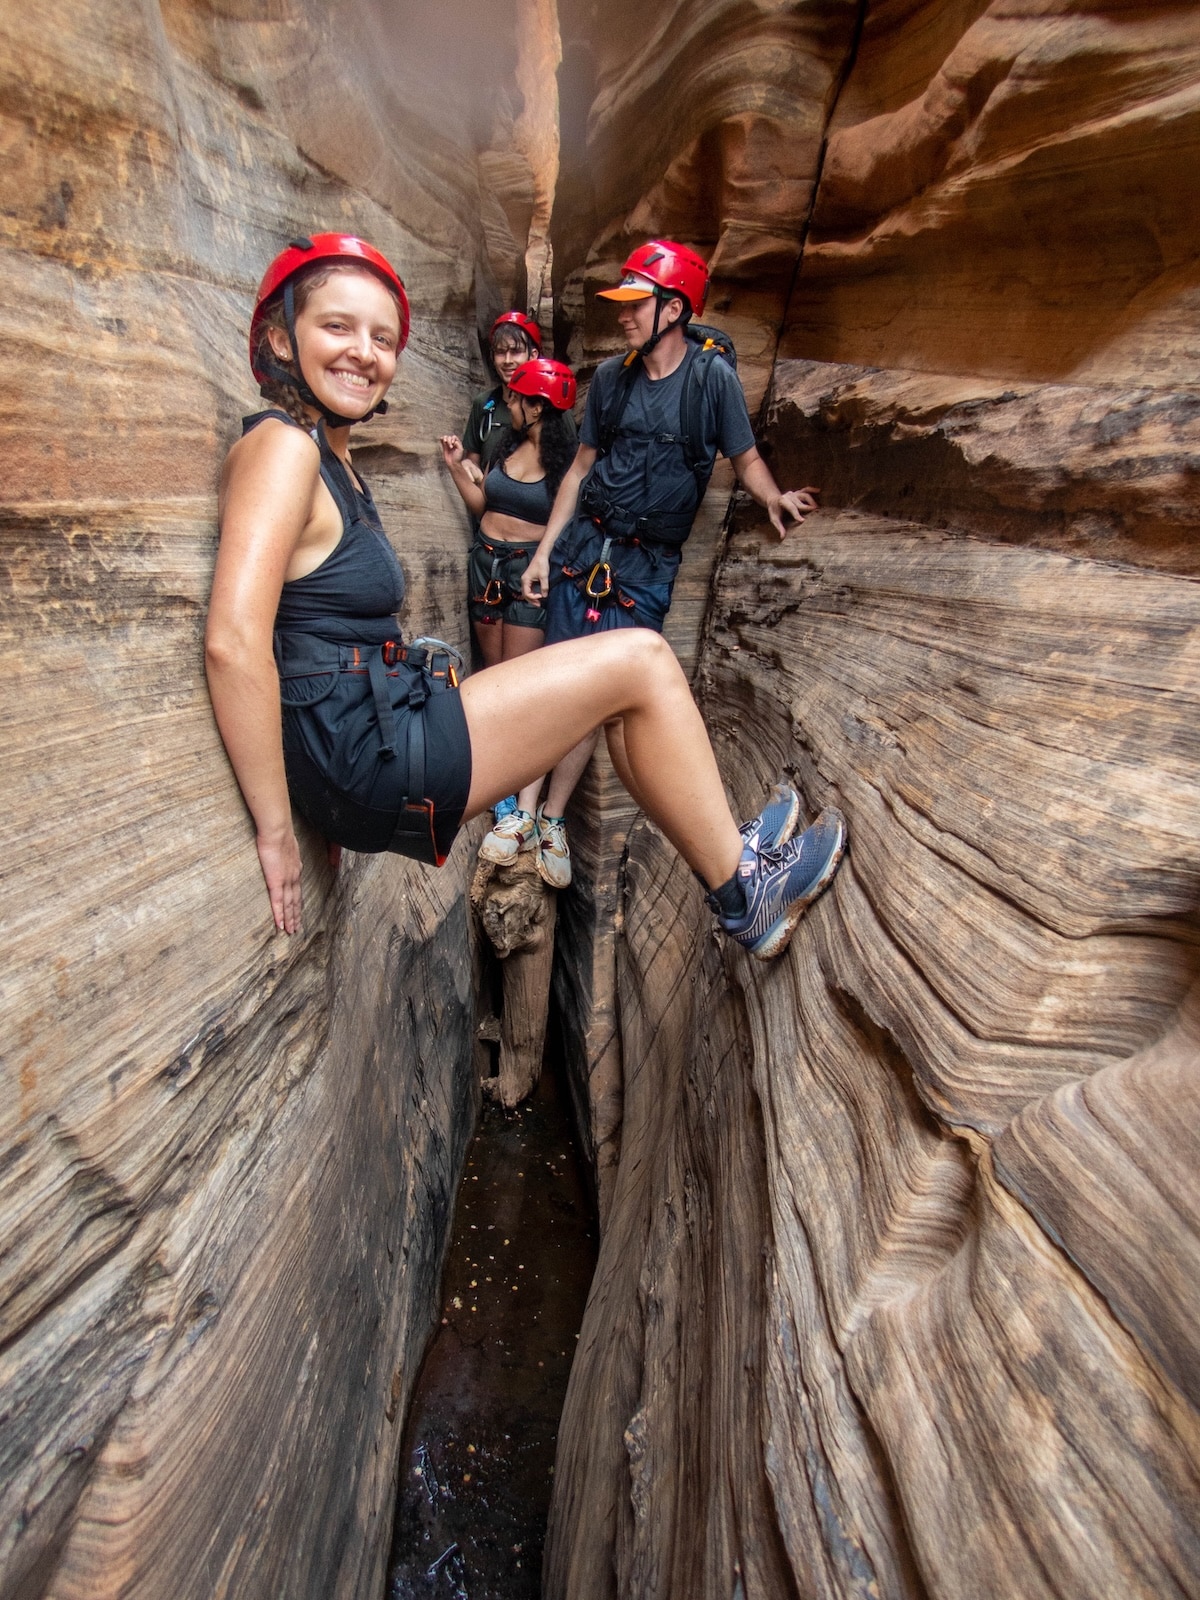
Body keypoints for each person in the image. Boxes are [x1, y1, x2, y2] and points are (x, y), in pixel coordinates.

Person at [204, 232, 846, 962]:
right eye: (337, 326)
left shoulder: (326, 456)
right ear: (281, 338)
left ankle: (729, 851)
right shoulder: (284, 449)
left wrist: (322, 794)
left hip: (370, 742)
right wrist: (280, 824)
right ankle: (746, 894)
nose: (365, 352)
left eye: (382, 338)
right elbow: (234, 642)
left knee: (622, 704)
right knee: (643, 660)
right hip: (370, 756)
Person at [520, 239, 821, 853]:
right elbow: (579, 471)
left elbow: (745, 457)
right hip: (585, 549)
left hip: (644, 567)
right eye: (622, 304)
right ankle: (519, 816)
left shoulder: (712, 381)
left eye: (637, 304)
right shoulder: (609, 379)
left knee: (613, 709)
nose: (623, 316)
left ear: (675, 310)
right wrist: (544, 551)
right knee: (553, 679)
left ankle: (552, 817)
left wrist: (770, 497)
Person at [440, 357, 578, 883]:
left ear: (536, 406)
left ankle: (522, 807)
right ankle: (500, 793)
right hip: (486, 564)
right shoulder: (504, 447)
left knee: (521, 688)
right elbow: (482, 506)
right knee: (493, 676)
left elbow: (564, 527)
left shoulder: (565, 467)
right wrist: (458, 467)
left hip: (526, 575)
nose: (507, 405)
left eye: (516, 399)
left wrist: (539, 561)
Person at [462, 311, 545, 472]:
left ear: (533, 355)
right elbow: (473, 464)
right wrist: (461, 466)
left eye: (515, 351)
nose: (507, 360)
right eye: (500, 352)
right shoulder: (484, 404)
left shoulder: (552, 407)